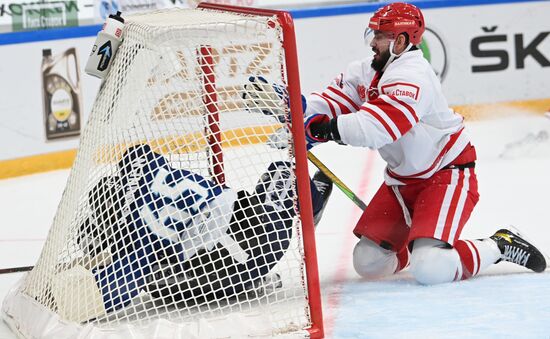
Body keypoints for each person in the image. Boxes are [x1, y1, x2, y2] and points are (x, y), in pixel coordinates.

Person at [297, 2, 546, 284]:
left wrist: (321, 130)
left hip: (444, 174)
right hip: (403, 181)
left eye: (380, 36)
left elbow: (377, 127)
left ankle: (498, 245)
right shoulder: (365, 70)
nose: (373, 43)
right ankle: (421, 246)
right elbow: (334, 102)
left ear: (400, 41)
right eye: (374, 34)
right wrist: (295, 108)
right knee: (369, 263)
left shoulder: (413, 76)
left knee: (431, 269)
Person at [72, 143, 329, 320]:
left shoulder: (137, 238)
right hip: (258, 235)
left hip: (233, 265)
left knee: (155, 281)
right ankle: (311, 207)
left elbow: (117, 289)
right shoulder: (144, 167)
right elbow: (137, 152)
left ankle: (246, 280)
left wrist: (71, 298)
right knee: (284, 171)